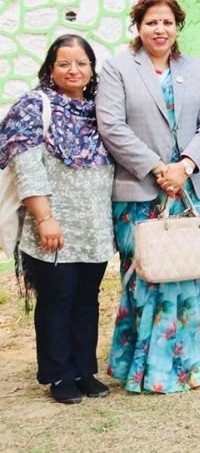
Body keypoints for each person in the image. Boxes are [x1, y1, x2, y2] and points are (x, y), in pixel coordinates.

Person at [96, 0, 200, 394]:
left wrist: (184, 166)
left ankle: (190, 367)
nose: (160, 29)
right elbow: (111, 126)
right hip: (139, 189)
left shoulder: (197, 69)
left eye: (167, 22)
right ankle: (143, 369)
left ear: (177, 26)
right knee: (144, 277)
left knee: (185, 276)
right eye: (151, 22)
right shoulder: (118, 68)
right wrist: (157, 167)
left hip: (187, 189)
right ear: (138, 26)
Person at [0, 35, 114, 404]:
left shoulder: (100, 110)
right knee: (57, 298)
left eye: (81, 63)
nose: (73, 70)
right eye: (64, 63)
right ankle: (59, 374)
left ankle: (84, 370)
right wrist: (44, 217)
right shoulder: (34, 107)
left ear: (92, 69)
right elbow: (26, 166)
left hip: (95, 227)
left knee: (87, 299)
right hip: (52, 227)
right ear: (51, 68)